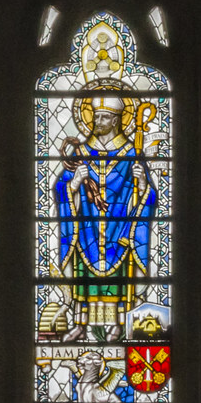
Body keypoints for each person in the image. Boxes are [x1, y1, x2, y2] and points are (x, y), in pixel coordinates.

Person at [53, 95, 156, 341]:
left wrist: (142, 183)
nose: (97, 121)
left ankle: (119, 324)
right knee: (83, 275)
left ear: (117, 120)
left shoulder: (132, 152)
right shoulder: (80, 151)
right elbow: (60, 189)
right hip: (87, 226)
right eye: (96, 116)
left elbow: (149, 196)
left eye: (104, 117)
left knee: (119, 277)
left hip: (118, 227)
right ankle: (80, 324)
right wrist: (75, 183)